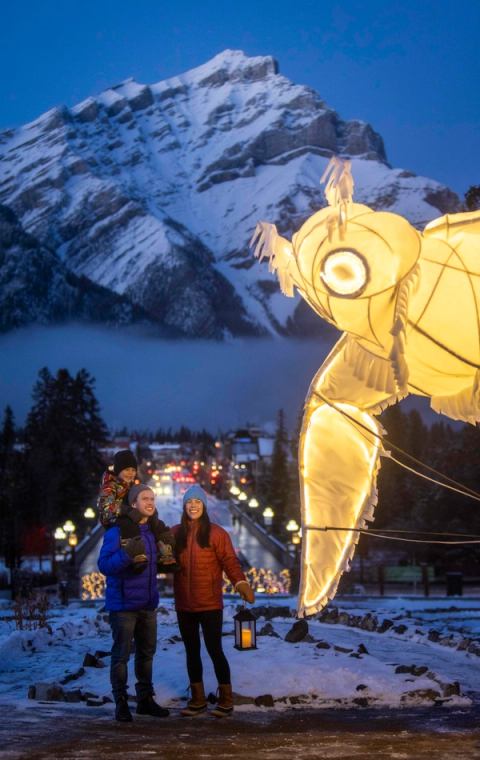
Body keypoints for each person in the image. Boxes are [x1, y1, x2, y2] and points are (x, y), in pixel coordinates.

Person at [173, 484, 255, 718]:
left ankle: (226, 699)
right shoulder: (175, 532)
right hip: (184, 605)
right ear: (184, 506)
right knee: (191, 651)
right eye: (189, 502)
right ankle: (198, 700)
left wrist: (240, 583)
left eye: (197, 502)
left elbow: (230, 561)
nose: (193, 505)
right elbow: (162, 556)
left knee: (214, 649)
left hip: (209, 603)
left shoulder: (217, 534)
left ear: (204, 506)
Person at [98, 484, 170, 722]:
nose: (150, 502)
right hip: (124, 606)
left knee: (147, 653)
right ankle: (120, 702)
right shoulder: (117, 531)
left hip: (147, 604)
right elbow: (104, 565)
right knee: (121, 655)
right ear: (133, 504)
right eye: (144, 498)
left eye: (152, 498)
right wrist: (127, 555)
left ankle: (145, 700)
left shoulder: (152, 531)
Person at [97, 449, 175, 567]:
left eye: (133, 470)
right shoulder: (109, 485)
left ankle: (165, 550)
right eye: (127, 470)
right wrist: (127, 511)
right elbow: (106, 508)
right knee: (129, 524)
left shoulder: (130, 484)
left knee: (155, 520)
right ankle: (136, 554)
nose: (131, 473)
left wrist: (150, 509)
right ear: (118, 470)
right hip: (113, 519)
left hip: (130, 513)